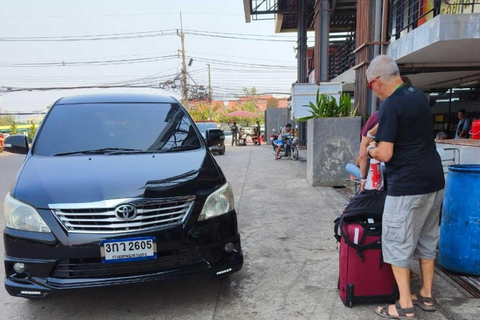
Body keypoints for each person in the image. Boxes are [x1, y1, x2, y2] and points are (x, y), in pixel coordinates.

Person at [366, 55, 445, 320]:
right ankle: (425, 294)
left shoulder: (391, 105)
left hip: (408, 186)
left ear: (376, 82)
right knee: (426, 239)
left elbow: (386, 153)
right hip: (434, 182)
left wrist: (371, 149)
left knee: (397, 243)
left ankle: (404, 305)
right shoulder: (418, 96)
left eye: (369, 87)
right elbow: (407, 131)